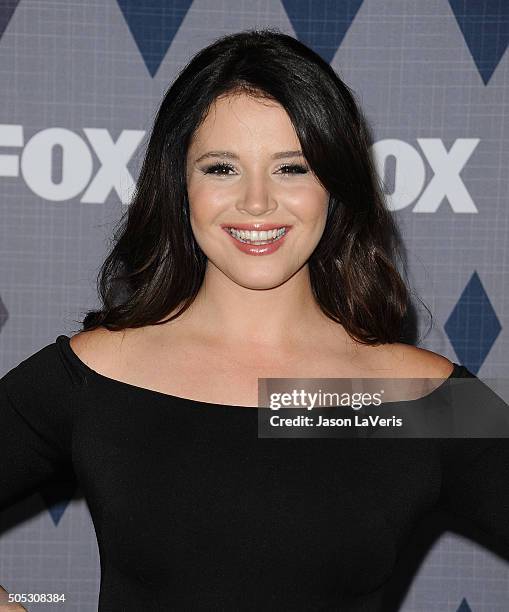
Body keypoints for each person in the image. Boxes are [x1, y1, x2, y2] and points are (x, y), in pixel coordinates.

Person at [0, 28, 508, 612]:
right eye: (221, 168)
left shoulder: (422, 399)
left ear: (335, 186)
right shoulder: (95, 374)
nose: (258, 202)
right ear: (179, 183)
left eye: (292, 168)